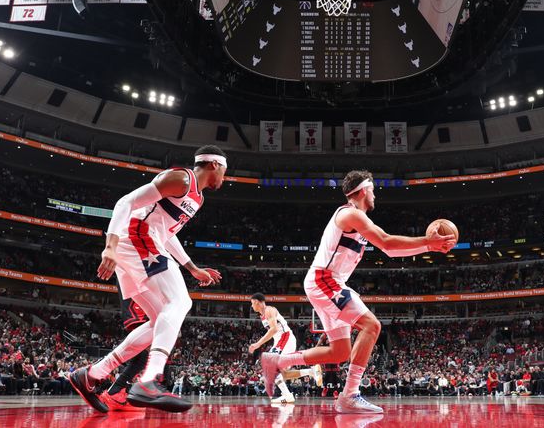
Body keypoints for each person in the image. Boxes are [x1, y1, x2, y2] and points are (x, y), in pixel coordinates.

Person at [260, 170, 455, 413]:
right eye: (373, 190)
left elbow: (391, 251)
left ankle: (279, 360)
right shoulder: (351, 213)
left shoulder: (356, 217)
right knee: (371, 326)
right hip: (325, 279)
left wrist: (429, 247)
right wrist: (428, 243)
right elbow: (385, 241)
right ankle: (350, 395)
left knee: (340, 352)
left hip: (326, 282)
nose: (375, 195)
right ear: (363, 191)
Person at [68, 145, 226, 413]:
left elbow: (168, 233)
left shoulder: (197, 198)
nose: (225, 176)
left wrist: (192, 268)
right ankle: (150, 379)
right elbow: (125, 203)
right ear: (214, 165)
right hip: (137, 238)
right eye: (225, 170)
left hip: (146, 244)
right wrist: (110, 246)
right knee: (180, 303)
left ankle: (93, 373)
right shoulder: (181, 178)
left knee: (158, 322)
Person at [248, 293, 322, 404]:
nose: (252, 306)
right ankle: (310, 372)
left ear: (257, 302)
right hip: (280, 341)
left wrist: (258, 344)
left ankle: (288, 394)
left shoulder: (269, 310)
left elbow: (273, 329)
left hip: (285, 338)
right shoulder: (262, 315)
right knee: (281, 374)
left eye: (252, 303)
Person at [99, 297, 151, 411]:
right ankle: (97, 379)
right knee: (139, 355)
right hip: (139, 305)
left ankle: (116, 391)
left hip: (140, 305)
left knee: (139, 358)